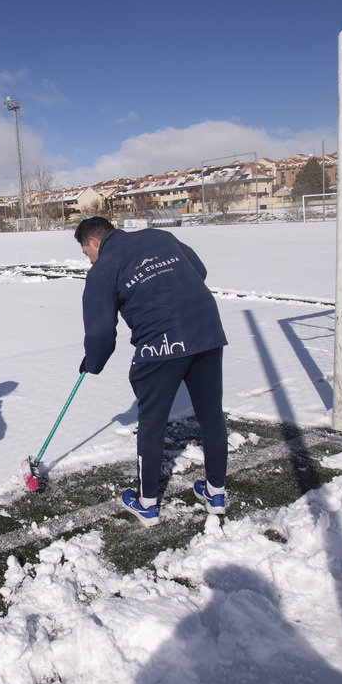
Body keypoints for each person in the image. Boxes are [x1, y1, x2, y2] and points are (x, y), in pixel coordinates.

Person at [75, 216, 229, 525]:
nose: (88, 259)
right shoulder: (160, 237)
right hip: (206, 329)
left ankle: (147, 503)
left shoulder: (102, 269)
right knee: (211, 414)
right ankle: (215, 492)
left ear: (94, 242)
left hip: (162, 344)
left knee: (151, 422)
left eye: (85, 252)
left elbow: (101, 331)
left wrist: (93, 362)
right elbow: (197, 271)